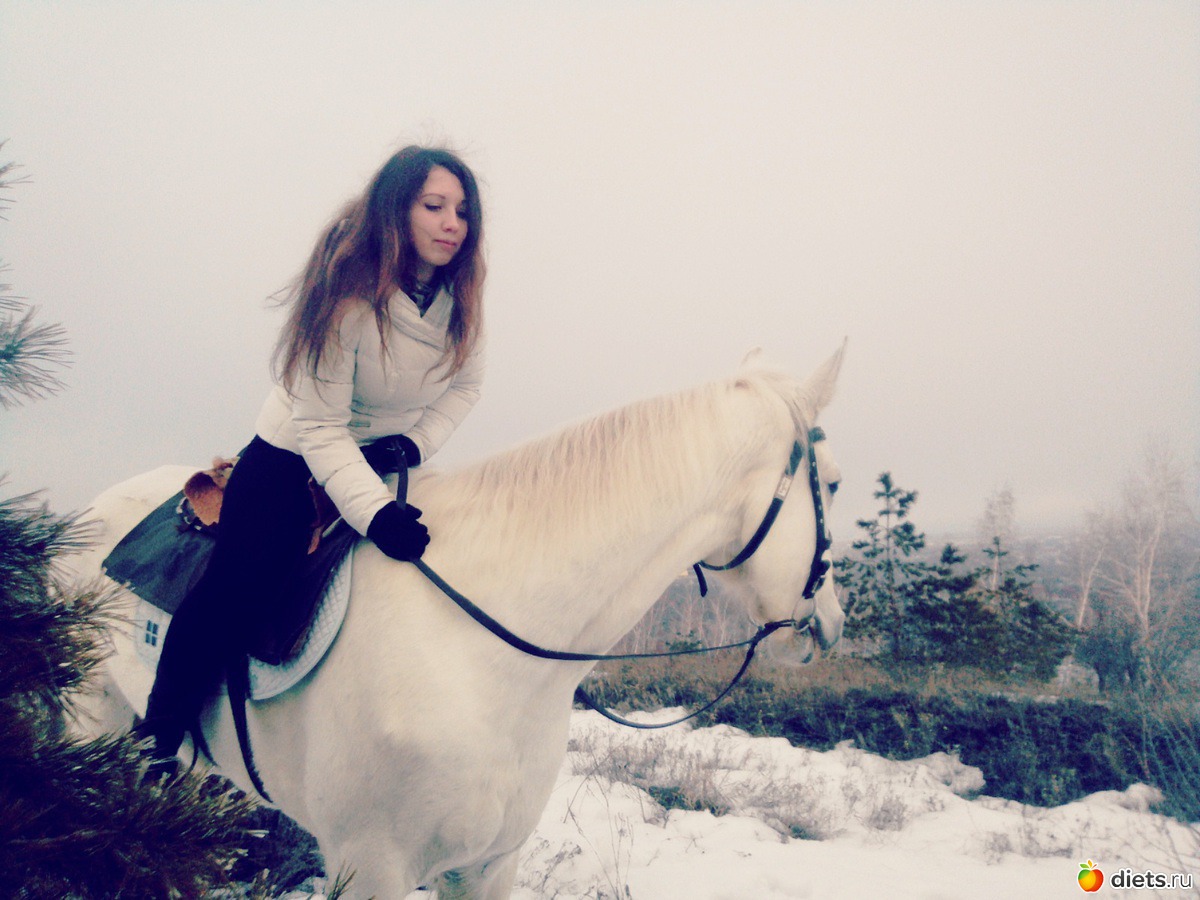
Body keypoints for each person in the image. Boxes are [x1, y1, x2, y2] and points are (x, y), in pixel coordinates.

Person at [139, 145, 487, 765]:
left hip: (381, 459)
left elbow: (465, 387)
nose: (451, 223)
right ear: (396, 212)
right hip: (292, 457)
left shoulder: (461, 299)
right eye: (434, 206)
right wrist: (375, 515)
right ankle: (156, 739)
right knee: (237, 587)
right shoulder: (348, 299)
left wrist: (413, 445)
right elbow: (320, 427)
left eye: (462, 211)